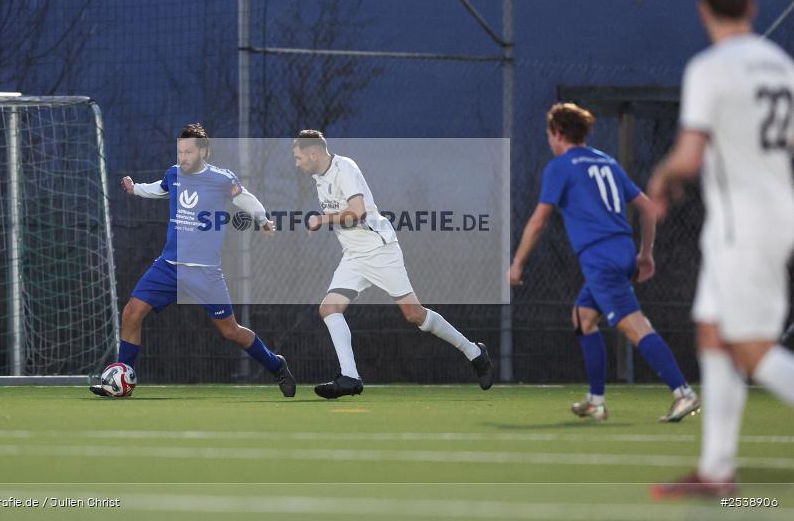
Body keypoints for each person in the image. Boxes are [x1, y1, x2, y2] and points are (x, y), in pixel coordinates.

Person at [649, 0, 794, 499]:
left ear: (703, 9)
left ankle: (717, 471)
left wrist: (662, 178)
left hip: (744, 228)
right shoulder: (780, 64)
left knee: (751, 350)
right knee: (711, 331)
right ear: (752, 7)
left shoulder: (712, 68)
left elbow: (688, 156)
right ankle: (716, 471)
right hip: (770, 219)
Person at [509, 103, 698, 422]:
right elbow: (648, 208)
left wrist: (517, 263)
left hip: (601, 259)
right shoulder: (606, 162)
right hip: (621, 252)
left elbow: (540, 220)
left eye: (548, 133)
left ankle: (683, 392)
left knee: (634, 325)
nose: (548, 140)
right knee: (583, 316)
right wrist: (645, 253)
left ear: (558, 133)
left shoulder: (561, 166)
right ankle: (596, 401)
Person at [90, 123, 296, 397]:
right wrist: (135, 188)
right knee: (131, 312)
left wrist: (262, 219)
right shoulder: (174, 174)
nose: (182, 157)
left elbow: (245, 199)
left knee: (230, 331)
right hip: (169, 267)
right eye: (180, 152)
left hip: (205, 273)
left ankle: (275, 364)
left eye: (188, 152)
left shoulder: (222, 179)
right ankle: (121, 379)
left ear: (204, 152)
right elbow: (160, 189)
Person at [292, 130, 495, 398]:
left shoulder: (345, 168)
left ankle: (474, 351)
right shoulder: (319, 178)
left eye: (298, 157)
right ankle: (350, 377)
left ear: (313, 153)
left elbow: (359, 211)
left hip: (379, 250)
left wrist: (322, 220)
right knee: (329, 308)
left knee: (414, 314)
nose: (297, 163)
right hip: (354, 256)